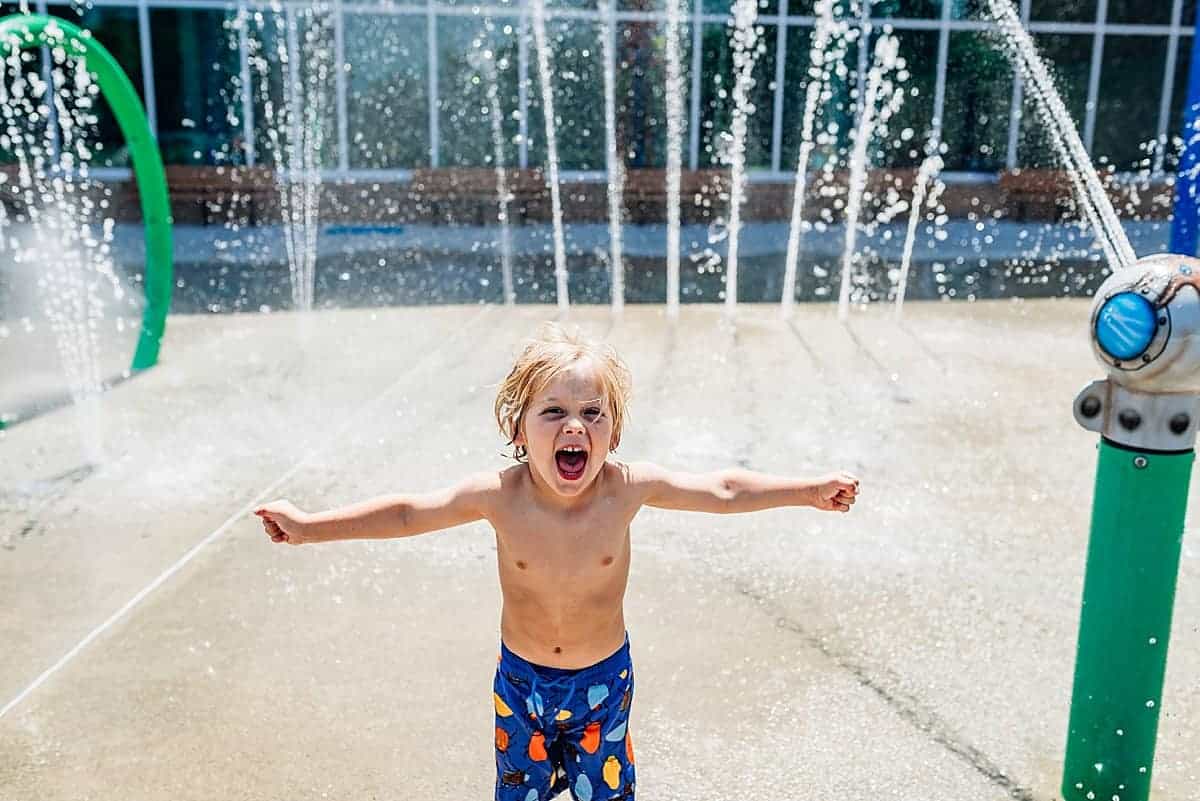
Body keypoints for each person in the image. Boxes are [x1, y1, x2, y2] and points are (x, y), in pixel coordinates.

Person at [255, 321, 860, 801]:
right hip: (521, 685)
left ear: (614, 432)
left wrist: (806, 491)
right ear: (518, 430)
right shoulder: (499, 496)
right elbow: (411, 512)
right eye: (553, 413)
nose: (575, 426)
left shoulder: (625, 488)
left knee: (608, 794)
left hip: (604, 685)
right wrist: (309, 528)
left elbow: (723, 489)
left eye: (592, 414)